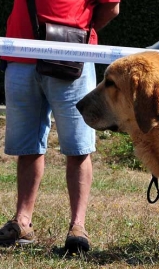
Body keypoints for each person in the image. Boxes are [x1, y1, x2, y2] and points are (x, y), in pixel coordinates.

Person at [0, 0, 120, 252]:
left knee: (78, 146)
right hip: (21, 55)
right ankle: (22, 222)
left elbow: (111, 7)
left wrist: (77, 34)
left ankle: (78, 226)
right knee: (27, 146)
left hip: (72, 56)